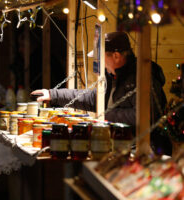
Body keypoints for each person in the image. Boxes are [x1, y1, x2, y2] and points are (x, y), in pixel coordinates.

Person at [31, 31, 171, 155]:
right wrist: (53, 95)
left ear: (116, 56)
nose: (99, 62)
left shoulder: (142, 77)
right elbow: (93, 99)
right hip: (121, 147)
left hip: (146, 151)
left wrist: (104, 115)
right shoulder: (113, 76)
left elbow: (144, 115)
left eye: (101, 57)